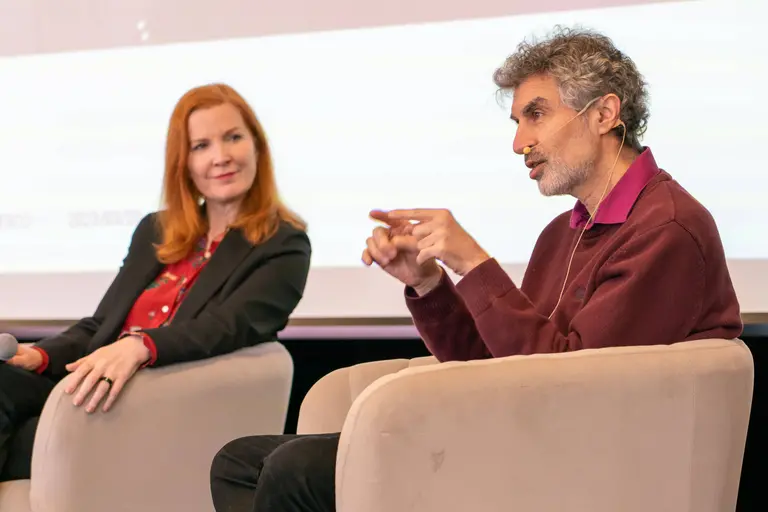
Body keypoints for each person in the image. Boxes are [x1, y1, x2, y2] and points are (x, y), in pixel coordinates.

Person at [209, 27, 742, 511]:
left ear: (604, 114)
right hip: (526, 435)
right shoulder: (564, 233)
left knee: (291, 471)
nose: (518, 143)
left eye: (536, 114)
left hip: (584, 464)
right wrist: (429, 282)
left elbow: (568, 393)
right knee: (240, 462)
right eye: (516, 123)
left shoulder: (665, 229)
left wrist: (475, 263)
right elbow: (492, 366)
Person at [0, 83, 311, 481]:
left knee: (26, 436)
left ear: (257, 147)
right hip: (88, 392)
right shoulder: (156, 230)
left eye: (233, 137)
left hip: (157, 402)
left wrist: (140, 346)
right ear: (183, 161)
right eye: (201, 146)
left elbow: (231, 327)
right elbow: (100, 328)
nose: (221, 157)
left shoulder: (284, 242)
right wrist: (41, 356)